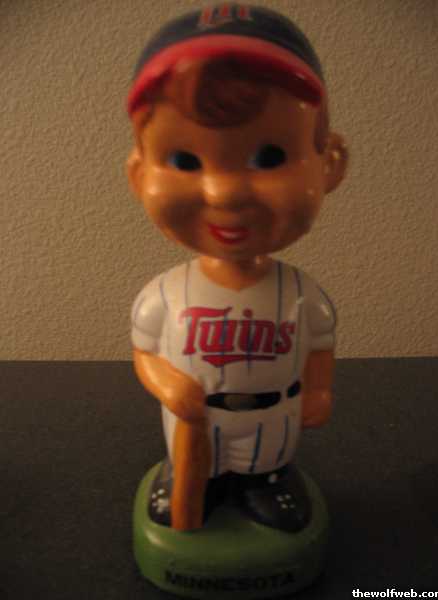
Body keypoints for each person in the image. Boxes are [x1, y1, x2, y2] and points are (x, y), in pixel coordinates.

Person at [126, 4, 348, 532]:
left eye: (268, 157)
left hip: (273, 418)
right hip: (195, 424)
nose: (223, 193)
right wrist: (166, 384)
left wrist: (318, 391)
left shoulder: (301, 295)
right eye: (185, 161)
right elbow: (145, 353)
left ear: (329, 164)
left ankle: (265, 483)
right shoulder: (163, 295)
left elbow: (319, 347)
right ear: (138, 177)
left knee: (266, 462)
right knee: (192, 477)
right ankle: (189, 480)